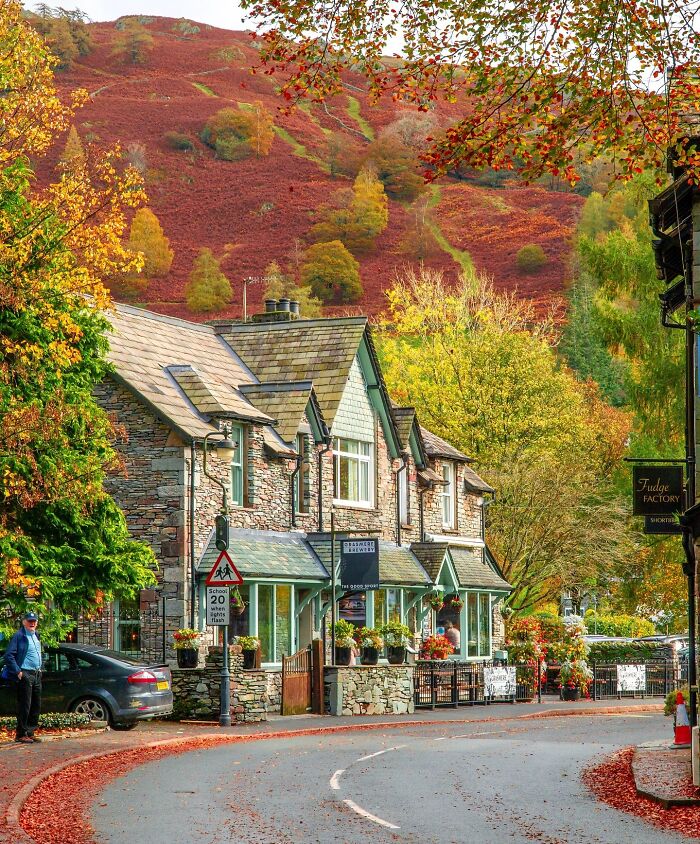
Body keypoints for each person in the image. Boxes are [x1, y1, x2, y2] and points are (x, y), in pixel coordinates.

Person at [4, 611, 43, 743]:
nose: (32, 623)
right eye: (29, 621)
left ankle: (30, 732)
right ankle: (21, 734)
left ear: (37, 623)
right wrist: (18, 672)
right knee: (25, 705)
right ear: (24, 622)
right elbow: (8, 655)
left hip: (37, 674)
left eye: (34, 621)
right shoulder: (19, 636)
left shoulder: (36, 635)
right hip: (25, 673)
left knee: (36, 704)